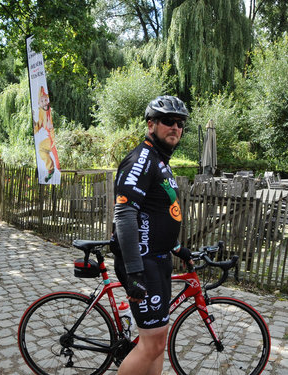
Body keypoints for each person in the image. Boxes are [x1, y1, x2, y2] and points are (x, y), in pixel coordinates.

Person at [111, 95, 193, 375]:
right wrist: (134, 272)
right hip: (142, 263)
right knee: (151, 343)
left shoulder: (159, 160)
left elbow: (158, 212)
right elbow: (124, 214)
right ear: (151, 125)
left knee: (158, 342)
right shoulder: (141, 159)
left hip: (158, 261)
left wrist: (178, 247)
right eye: (168, 121)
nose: (175, 128)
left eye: (180, 123)